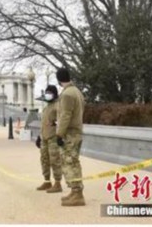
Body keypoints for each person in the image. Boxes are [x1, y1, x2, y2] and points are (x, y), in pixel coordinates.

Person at [55, 67, 86, 207]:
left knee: (70, 162)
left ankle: (77, 193)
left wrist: (59, 134)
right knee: (74, 161)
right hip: (77, 132)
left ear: (58, 80)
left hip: (70, 133)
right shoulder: (77, 91)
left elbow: (65, 115)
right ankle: (75, 192)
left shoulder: (67, 94)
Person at [35, 85, 63, 193]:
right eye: (46, 92)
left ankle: (57, 183)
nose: (47, 94)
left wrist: (60, 135)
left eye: (49, 92)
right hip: (44, 137)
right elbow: (43, 123)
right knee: (44, 159)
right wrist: (39, 136)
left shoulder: (58, 106)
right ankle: (47, 181)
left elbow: (61, 121)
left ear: (55, 94)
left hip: (53, 138)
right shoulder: (46, 107)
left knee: (55, 160)